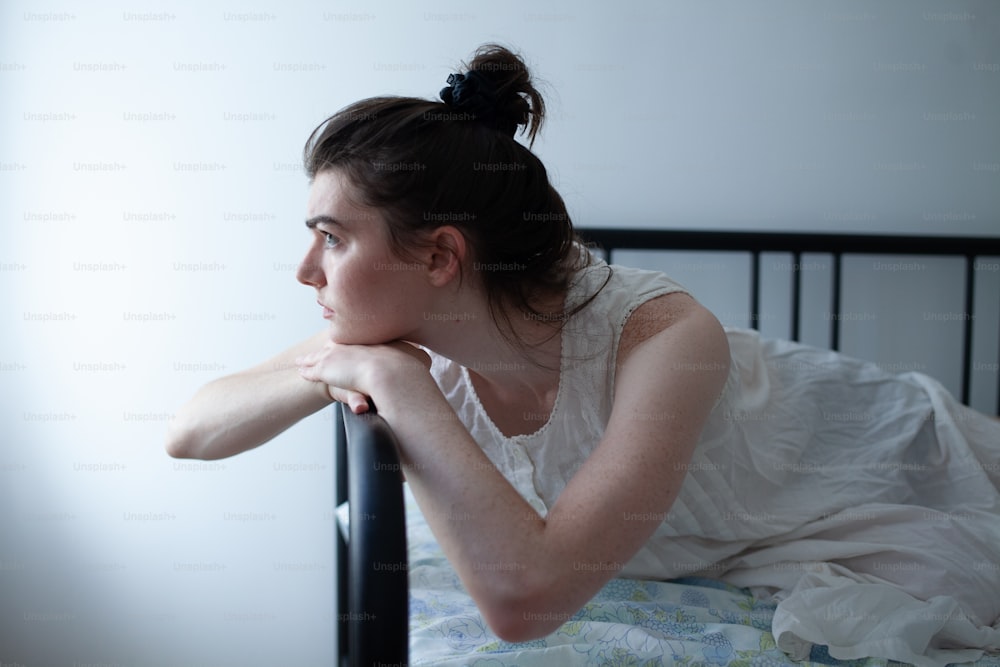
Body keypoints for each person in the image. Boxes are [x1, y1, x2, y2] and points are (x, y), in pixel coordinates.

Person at [166, 44, 1000, 665]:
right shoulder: (397, 331)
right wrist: (371, 365)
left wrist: (393, 383)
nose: (305, 270)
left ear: (438, 257)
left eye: (331, 239)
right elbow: (192, 430)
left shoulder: (665, 335)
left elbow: (525, 602)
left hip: (892, 469)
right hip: (736, 543)